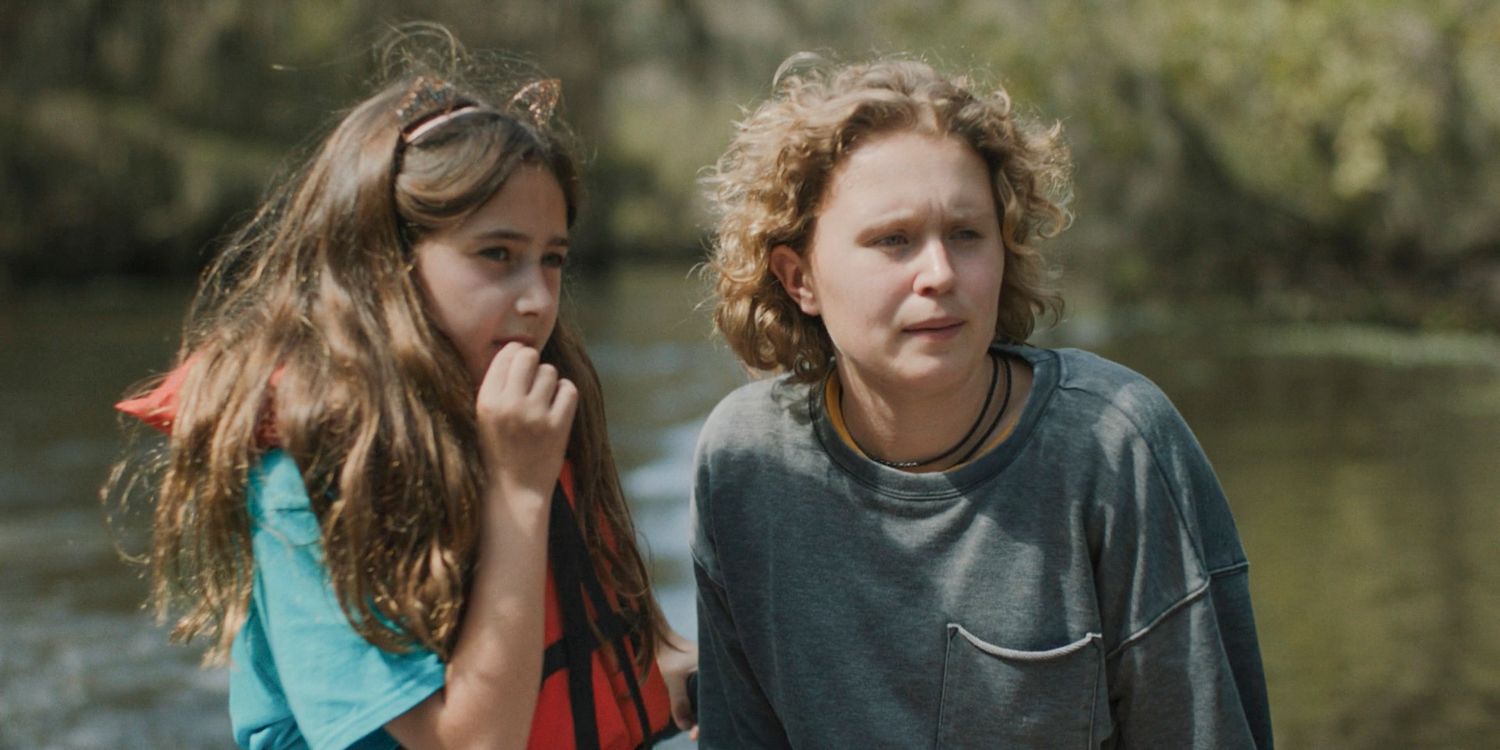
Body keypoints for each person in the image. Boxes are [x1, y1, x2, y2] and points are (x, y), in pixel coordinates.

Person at [107, 56, 697, 749]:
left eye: (553, 258)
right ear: (384, 265)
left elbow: (625, 644)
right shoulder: (308, 473)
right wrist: (516, 493)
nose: (537, 298)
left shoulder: (528, 413)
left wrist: (695, 667)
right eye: (497, 255)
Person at [691, 56, 1273, 748]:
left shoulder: (1116, 446)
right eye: (893, 241)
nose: (939, 274)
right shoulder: (746, 464)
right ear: (799, 278)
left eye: (966, 234)